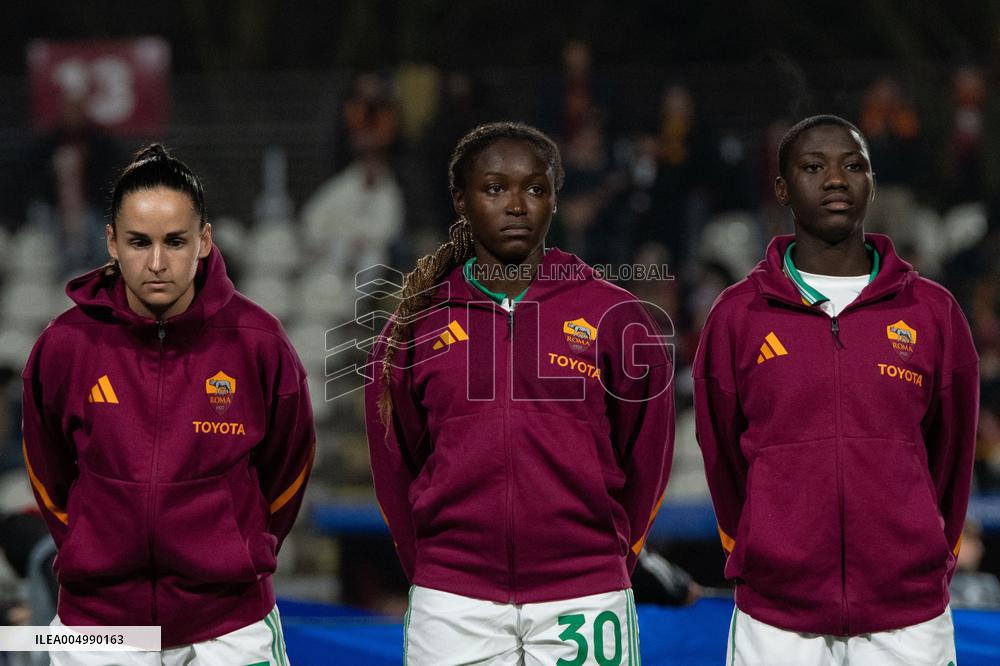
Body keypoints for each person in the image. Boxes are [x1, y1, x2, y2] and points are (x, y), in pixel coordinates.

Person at [365, 121, 674, 665]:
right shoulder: (414, 325)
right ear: (461, 199)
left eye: (534, 188)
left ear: (554, 199)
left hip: (585, 592)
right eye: (494, 188)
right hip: (453, 599)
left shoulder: (614, 315)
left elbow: (647, 456)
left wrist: (608, 560)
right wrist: (436, 568)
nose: (516, 205)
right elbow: (395, 466)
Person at [693, 114, 979, 665]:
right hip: (776, 615)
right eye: (813, 167)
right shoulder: (737, 315)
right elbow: (721, 454)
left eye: (853, 165)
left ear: (872, 182)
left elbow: (953, 455)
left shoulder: (932, 311)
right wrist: (762, 547)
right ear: (782, 189)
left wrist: (925, 551)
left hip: (908, 612)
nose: (834, 180)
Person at [21, 144, 315, 664]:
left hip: (230, 621)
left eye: (175, 241)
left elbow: (288, 470)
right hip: (98, 622)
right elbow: (48, 473)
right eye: (139, 242)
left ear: (204, 241)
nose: (157, 263)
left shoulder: (258, 342)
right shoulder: (65, 345)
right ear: (112, 242)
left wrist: (237, 547)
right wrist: (92, 545)